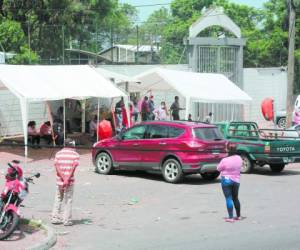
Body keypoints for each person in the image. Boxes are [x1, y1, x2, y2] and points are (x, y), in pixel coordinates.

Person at [51, 139, 79, 226]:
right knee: (68, 200)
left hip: (59, 181)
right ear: (72, 145)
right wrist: (67, 179)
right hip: (69, 181)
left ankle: (55, 218)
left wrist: (63, 178)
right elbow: (73, 168)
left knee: (58, 198)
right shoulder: (75, 155)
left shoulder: (58, 154)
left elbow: (57, 167)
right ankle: (66, 220)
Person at [217, 151, 242, 223]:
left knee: (228, 198)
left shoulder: (225, 160)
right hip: (236, 180)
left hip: (226, 180)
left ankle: (231, 217)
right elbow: (240, 166)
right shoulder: (239, 158)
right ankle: (238, 216)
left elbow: (218, 168)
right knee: (236, 198)